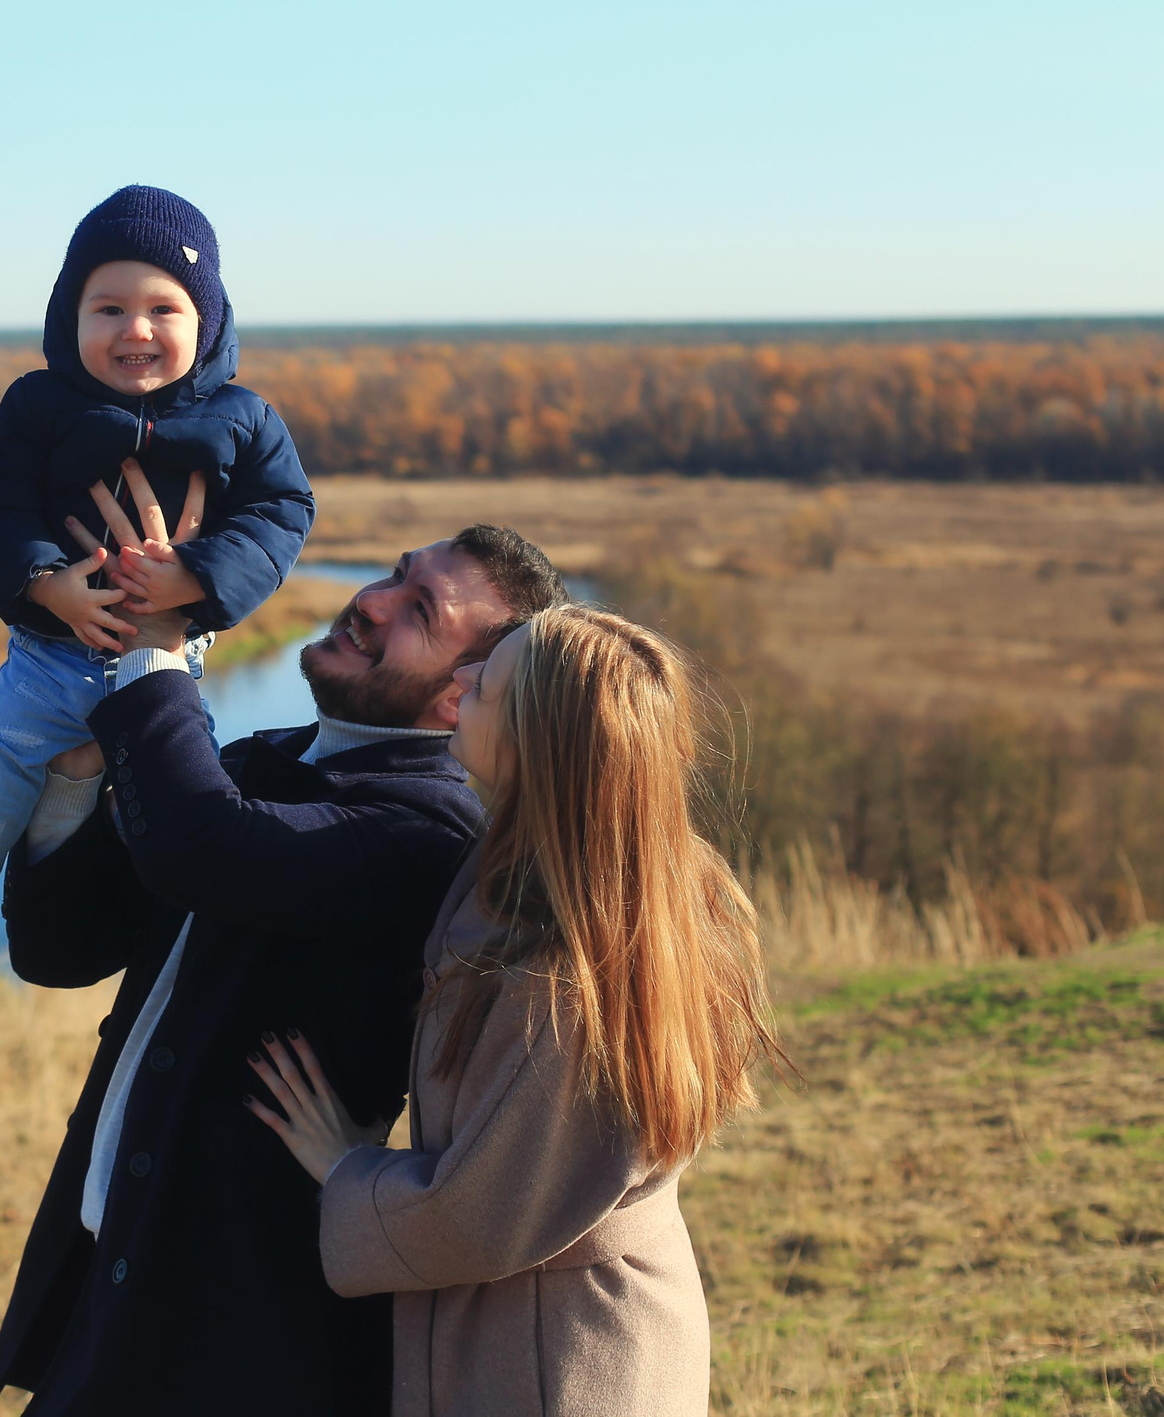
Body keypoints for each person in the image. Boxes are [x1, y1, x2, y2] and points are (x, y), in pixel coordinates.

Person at [0, 496, 568, 1416]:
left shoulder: (427, 835)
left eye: (420, 612)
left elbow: (202, 846)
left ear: (463, 692)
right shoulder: (256, 767)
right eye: (396, 573)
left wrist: (155, 649)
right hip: (118, 1278)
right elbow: (60, 948)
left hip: (246, 1337)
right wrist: (80, 763)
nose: (373, 600)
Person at [247, 605, 783, 1417]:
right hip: (549, 1324)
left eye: (488, 683)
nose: (460, 678)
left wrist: (347, 1167)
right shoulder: (614, 886)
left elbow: (475, 1216)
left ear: (541, 748)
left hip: (557, 1356)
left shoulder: (570, 975)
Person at [0, 183, 316, 1063]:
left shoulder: (243, 418)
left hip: (165, 671)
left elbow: (281, 511)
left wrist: (194, 576)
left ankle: (162, 1008)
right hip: (47, 665)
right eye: (107, 306)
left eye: (165, 307)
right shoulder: (38, 407)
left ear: (211, 320)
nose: (136, 329)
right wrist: (48, 583)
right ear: (67, 315)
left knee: (173, 830)